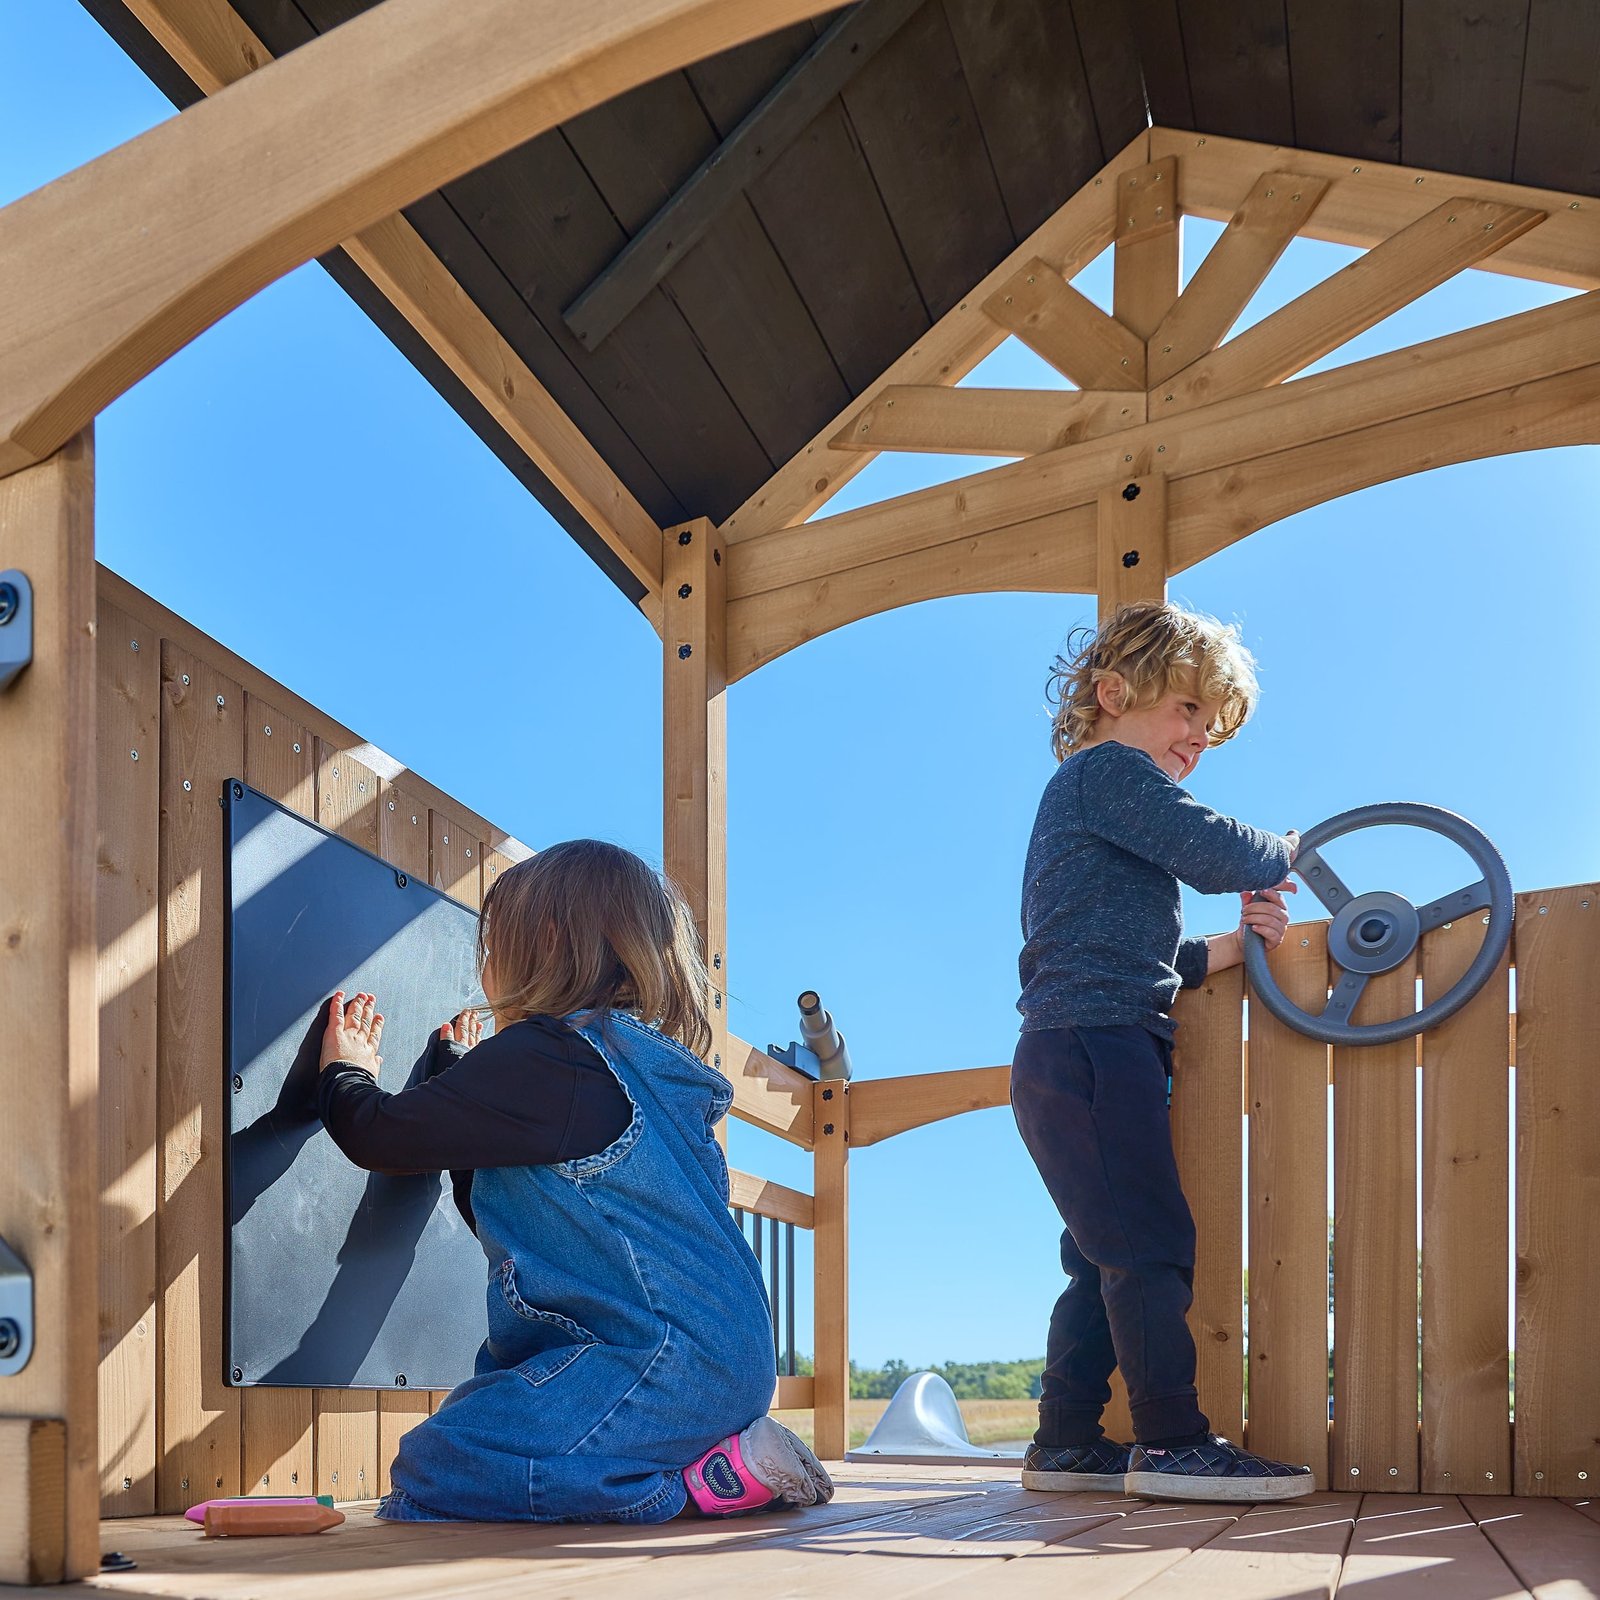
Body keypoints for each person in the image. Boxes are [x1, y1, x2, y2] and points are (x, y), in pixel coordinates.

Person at [315, 839, 833, 1523]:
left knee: (439, 1463)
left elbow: (380, 1136)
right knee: (480, 1415)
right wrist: (459, 1083)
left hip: (659, 1365)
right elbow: (529, 1220)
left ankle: (692, 1487)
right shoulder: (647, 1073)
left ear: (548, 941)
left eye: (496, 945)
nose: (489, 965)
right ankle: (715, 1461)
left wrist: (343, 1072)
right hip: (720, 1364)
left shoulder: (549, 1054)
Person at [1012, 601, 1316, 1503]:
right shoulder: (1107, 772)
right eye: (1188, 710)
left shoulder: (1095, 805)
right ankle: (1174, 1443)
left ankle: (1065, 1442)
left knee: (1100, 1252)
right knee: (1147, 1243)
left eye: (1209, 726)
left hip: (1073, 1046)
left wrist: (1225, 950)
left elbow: (1124, 950)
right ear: (1112, 693)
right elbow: (1217, 848)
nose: (1198, 739)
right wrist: (1288, 851)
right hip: (1098, 1050)